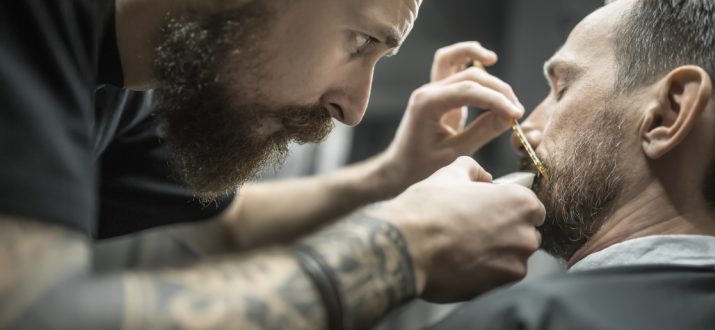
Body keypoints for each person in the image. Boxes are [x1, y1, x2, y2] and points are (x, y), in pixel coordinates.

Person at [0, 0, 547, 329]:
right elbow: (33, 316)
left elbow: (225, 220)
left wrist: (392, 175)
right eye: (360, 40)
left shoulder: (121, 87)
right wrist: (405, 248)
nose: (353, 107)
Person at [428, 0, 715, 329]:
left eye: (562, 90)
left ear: (669, 112)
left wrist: (410, 244)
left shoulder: (519, 322)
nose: (523, 134)